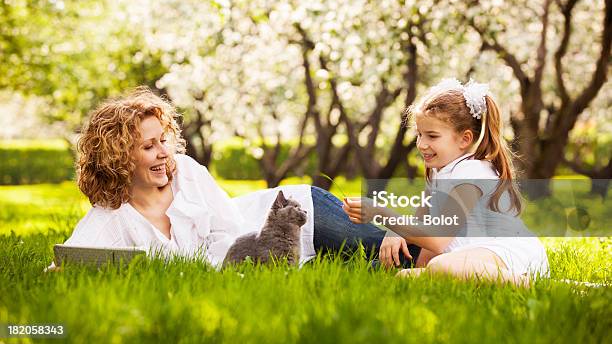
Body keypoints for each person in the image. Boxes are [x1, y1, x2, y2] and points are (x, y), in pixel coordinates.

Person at [48, 87, 420, 270]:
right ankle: (467, 259)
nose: (164, 152)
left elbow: (227, 232)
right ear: (117, 158)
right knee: (388, 271)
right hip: (285, 259)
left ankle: (472, 236)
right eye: (149, 146)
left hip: (303, 217)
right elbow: (71, 259)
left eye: (164, 140)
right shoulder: (112, 216)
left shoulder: (186, 173)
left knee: (409, 250)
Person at [343, 79, 549, 285]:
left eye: (432, 136)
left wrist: (381, 213)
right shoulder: (438, 171)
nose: (422, 144)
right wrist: (395, 232)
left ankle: (539, 284)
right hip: (464, 256)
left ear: (464, 139)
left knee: (441, 267)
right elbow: (423, 228)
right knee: (412, 272)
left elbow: (437, 239)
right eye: (419, 135)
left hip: (506, 253)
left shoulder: (472, 172)